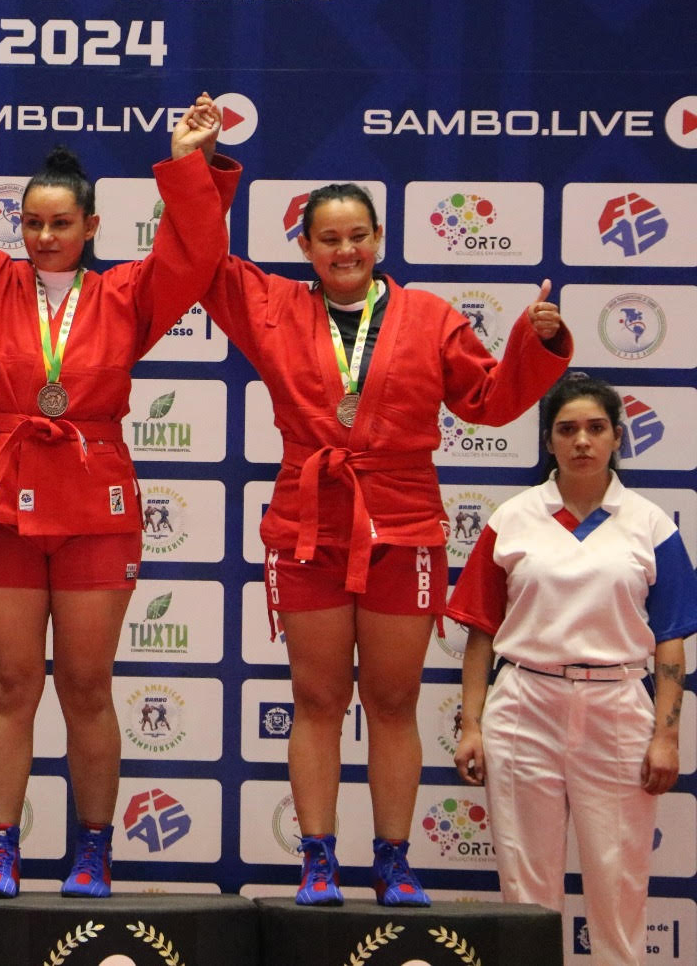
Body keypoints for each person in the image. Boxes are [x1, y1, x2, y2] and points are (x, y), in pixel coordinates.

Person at [0, 47, 238, 896]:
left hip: (95, 500)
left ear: (91, 227)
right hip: (1, 499)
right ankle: (1, 851)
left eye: (60, 224)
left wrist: (189, 161)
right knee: (10, 684)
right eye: (31, 222)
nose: (43, 237)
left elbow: (197, 252)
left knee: (87, 687)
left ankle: (93, 849)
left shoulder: (128, 294)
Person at [186, 175, 573, 905]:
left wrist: (537, 341)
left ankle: (393, 860)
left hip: (402, 522)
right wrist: (197, 170)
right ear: (305, 247)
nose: (346, 250)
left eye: (358, 236)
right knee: (317, 698)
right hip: (310, 524)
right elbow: (202, 259)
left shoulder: (429, 317)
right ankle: (318, 860)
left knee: (394, 700)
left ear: (380, 240)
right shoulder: (271, 306)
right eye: (329, 239)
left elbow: (488, 401)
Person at [450, 373, 695, 965]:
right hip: (524, 704)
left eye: (595, 428)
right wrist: (472, 725)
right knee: (526, 892)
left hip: (617, 707)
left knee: (619, 882)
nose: (581, 440)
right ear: (549, 441)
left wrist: (666, 736)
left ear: (616, 437)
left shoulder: (652, 525)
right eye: (567, 430)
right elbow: (481, 634)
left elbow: (670, 643)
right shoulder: (512, 519)